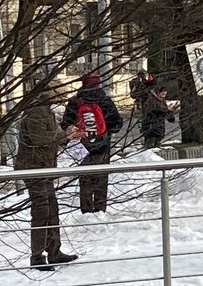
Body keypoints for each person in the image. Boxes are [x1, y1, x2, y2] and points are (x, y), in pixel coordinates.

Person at [16, 87, 85, 270]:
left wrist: (68, 135)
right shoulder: (35, 111)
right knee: (42, 209)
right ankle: (37, 256)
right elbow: (40, 138)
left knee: (52, 207)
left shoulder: (46, 110)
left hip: (43, 167)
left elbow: (52, 137)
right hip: (33, 168)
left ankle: (54, 251)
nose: (63, 99)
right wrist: (65, 134)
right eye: (60, 95)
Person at [60, 73, 123, 214]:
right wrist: (106, 131)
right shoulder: (105, 101)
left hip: (82, 147)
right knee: (101, 179)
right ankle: (100, 209)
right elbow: (117, 124)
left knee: (85, 180)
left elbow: (65, 124)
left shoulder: (75, 102)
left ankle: (86, 211)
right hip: (102, 146)